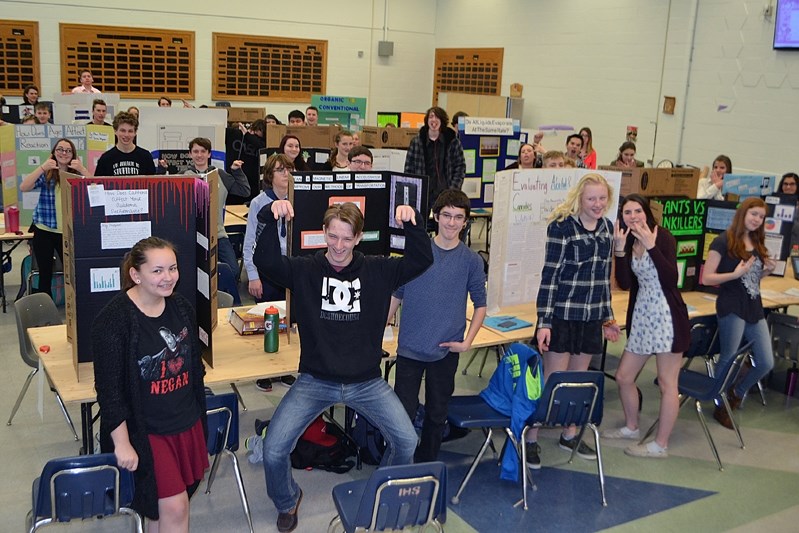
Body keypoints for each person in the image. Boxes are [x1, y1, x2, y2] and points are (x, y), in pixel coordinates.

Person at [253, 200, 433, 533]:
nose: (338, 246)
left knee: (406, 441)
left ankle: (383, 493)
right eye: (332, 236)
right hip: (315, 380)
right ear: (323, 233)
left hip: (366, 381)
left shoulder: (379, 270)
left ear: (358, 238)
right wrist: (267, 215)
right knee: (274, 449)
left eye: (346, 239)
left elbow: (422, 259)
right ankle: (287, 499)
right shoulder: (305, 269)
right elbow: (264, 261)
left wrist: (414, 223)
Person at [91, 237, 208, 532]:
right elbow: (110, 392)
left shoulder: (181, 307)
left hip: (185, 423)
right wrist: (122, 443)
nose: (167, 277)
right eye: (157, 271)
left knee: (161, 511)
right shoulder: (114, 320)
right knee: (175, 506)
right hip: (147, 432)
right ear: (135, 274)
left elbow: (194, 367)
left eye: (172, 268)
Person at [527, 173, 621, 468]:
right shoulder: (562, 227)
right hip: (563, 316)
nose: (597, 204)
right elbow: (550, 276)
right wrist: (544, 321)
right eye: (592, 198)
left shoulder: (607, 228)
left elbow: (604, 279)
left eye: (602, 198)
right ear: (580, 198)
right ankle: (531, 437)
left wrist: (608, 317)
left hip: (591, 317)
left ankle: (570, 433)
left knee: (579, 382)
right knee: (554, 380)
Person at [388, 189, 487, 462]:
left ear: (466, 222)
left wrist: (467, 342)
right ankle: (400, 462)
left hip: (446, 349)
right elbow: (397, 294)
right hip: (410, 348)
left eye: (458, 217)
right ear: (435, 216)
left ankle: (426, 463)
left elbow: (481, 304)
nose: (452, 223)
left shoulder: (471, 261)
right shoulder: (418, 253)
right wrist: (377, 331)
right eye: (446, 215)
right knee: (402, 414)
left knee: (436, 413)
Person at [604, 194, 690, 458]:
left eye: (637, 211)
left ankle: (660, 445)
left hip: (667, 317)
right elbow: (626, 284)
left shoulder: (661, 236)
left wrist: (652, 247)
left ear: (646, 212)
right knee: (624, 376)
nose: (633, 216)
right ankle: (632, 426)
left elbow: (671, 278)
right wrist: (619, 251)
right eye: (627, 212)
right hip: (642, 317)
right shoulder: (629, 240)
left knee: (666, 382)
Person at [702, 197, 776, 429]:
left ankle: (735, 393)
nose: (757, 220)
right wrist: (734, 274)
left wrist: (766, 272)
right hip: (731, 305)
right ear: (743, 213)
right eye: (753, 214)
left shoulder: (757, 241)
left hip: (753, 306)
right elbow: (707, 277)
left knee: (766, 361)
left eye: (761, 217)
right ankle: (719, 402)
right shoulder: (723, 241)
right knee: (729, 356)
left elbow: (751, 279)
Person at [244, 154, 296, 393]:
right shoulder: (259, 202)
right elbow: (249, 241)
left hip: (291, 267)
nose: (285, 174)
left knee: (288, 321)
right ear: (270, 175)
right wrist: (252, 274)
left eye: (288, 169)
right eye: (279, 170)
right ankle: (263, 371)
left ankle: (284, 368)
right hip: (266, 269)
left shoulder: (298, 198)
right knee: (267, 322)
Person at [20, 138, 91, 299]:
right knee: (45, 273)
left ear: (73, 154)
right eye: (60, 149)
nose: (63, 153)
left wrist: (82, 168)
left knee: (72, 273)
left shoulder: (76, 175)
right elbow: (24, 186)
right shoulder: (47, 173)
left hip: (67, 232)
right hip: (44, 230)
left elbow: (95, 188)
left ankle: (73, 305)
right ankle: (46, 310)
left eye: (68, 150)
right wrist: (42, 167)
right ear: (54, 152)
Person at [183, 137, 249, 274]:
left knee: (233, 270)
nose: (199, 155)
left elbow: (244, 191)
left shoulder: (221, 175)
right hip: (191, 235)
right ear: (190, 154)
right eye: (195, 151)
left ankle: (222, 294)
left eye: (203, 151)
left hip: (218, 234)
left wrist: (237, 171)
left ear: (209, 154)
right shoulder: (183, 176)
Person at [404, 106, 466, 214]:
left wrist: (453, 189)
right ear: (427, 120)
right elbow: (408, 168)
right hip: (422, 193)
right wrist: (413, 190)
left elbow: (460, 167)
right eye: (431, 117)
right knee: (420, 225)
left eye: (437, 117)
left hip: (445, 194)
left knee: (444, 225)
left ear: (442, 121)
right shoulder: (417, 142)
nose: (434, 120)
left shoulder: (452, 141)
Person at [234, 119, 266, 201]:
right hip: (243, 173)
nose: (255, 133)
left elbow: (260, 146)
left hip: (255, 176)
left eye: (258, 130)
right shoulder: (244, 139)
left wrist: (248, 135)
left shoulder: (262, 142)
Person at [777, 172, 799, 250]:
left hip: (795, 247)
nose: (788, 187)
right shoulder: (774, 203)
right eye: (785, 184)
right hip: (777, 245)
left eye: (792, 184)